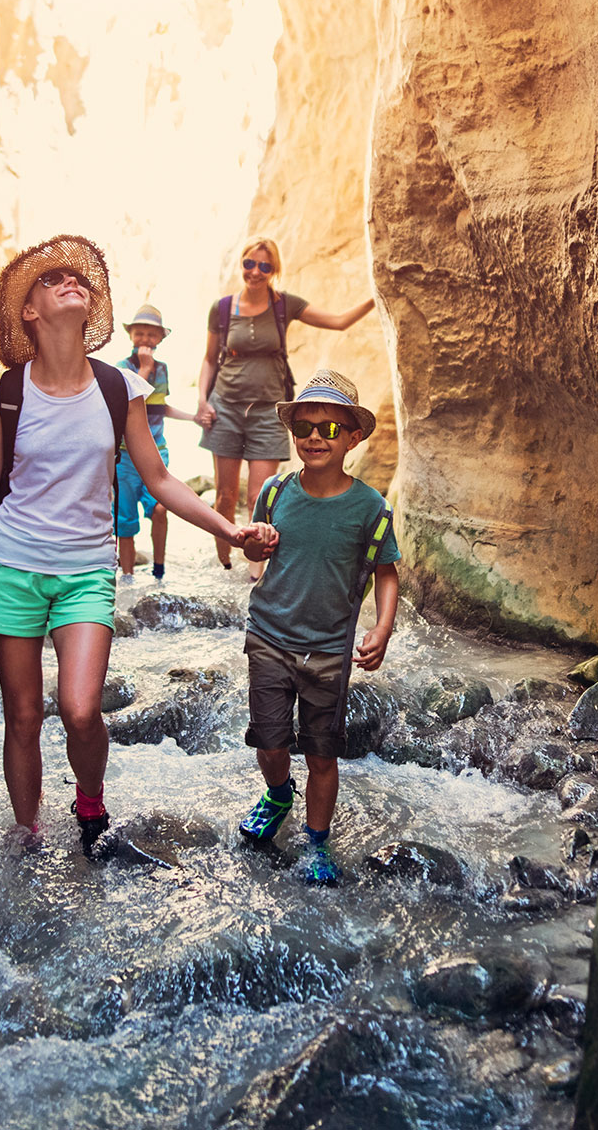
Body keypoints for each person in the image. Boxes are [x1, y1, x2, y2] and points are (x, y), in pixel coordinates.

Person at [0, 236, 263, 853]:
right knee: (21, 715)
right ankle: (28, 831)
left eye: (79, 278)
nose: (71, 281)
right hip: (13, 566)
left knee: (78, 708)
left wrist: (229, 529)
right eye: (53, 280)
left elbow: (160, 479)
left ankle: (89, 803)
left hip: (85, 572)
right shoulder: (5, 393)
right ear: (30, 312)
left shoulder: (120, 388)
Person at [235, 370, 400, 886]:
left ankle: (318, 842)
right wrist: (253, 548)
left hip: (328, 650)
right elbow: (255, 554)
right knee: (269, 742)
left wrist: (383, 628)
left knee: (322, 753)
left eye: (329, 429)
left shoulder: (370, 507)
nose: (314, 437)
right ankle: (279, 793)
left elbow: (386, 572)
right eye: (304, 426)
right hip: (268, 636)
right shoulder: (276, 489)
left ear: (353, 438)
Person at [195, 236, 376, 581]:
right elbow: (208, 360)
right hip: (226, 408)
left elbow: (338, 321)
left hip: (267, 410)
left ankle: (254, 577)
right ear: (242, 264)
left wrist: (378, 293)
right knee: (224, 496)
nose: (256, 271)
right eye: (250, 263)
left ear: (274, 270)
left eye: (265, 266)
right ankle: (224, 568)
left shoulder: (284, 305)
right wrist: (202, 400)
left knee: (258, 496)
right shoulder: (221, 309)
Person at [113, 303, 193, 583]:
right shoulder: (121, 369)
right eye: (139, 333)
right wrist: (144, 368)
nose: (145, 339)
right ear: (131, 336)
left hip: (157, 453)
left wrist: (193, 418)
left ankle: (159, 571)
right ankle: (127, 577)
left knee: (160, 508)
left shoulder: (163, 370)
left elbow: (159, 407)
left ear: (159, 339)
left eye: (151, 334)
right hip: (124, 459)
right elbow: (124, 403)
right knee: (124, 521)